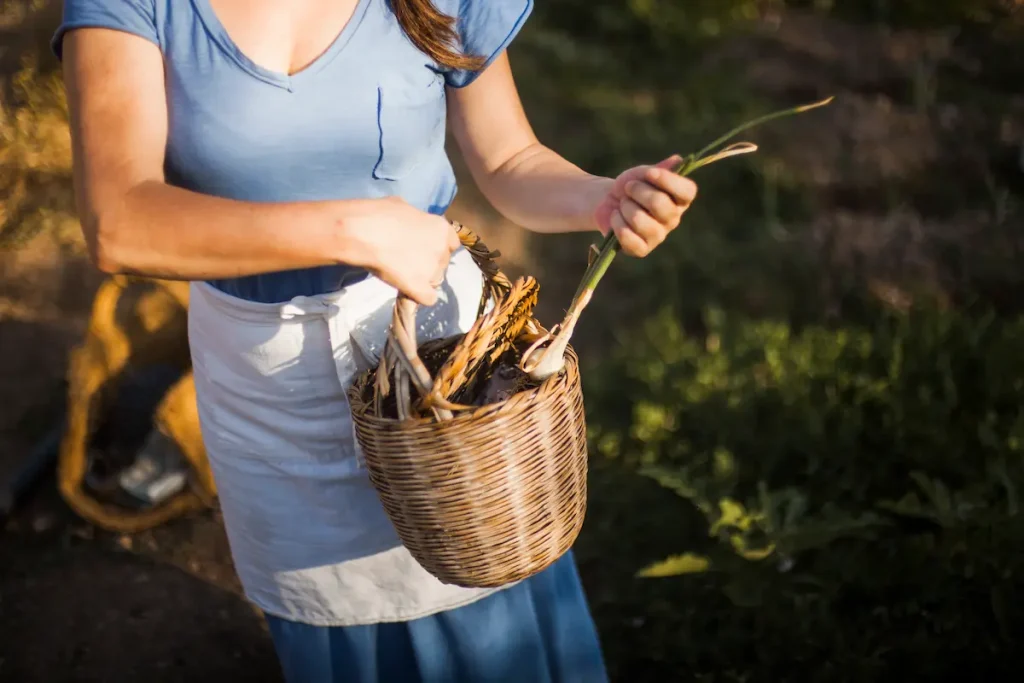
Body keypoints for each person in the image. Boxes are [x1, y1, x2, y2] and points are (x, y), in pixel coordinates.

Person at [52, 0, 698, 681]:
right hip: (270, 389)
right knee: (338, 627)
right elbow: (119, 220)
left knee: (488, 619)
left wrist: (602, 197)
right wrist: (352, 229)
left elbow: (510, 158)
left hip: (443, 374)